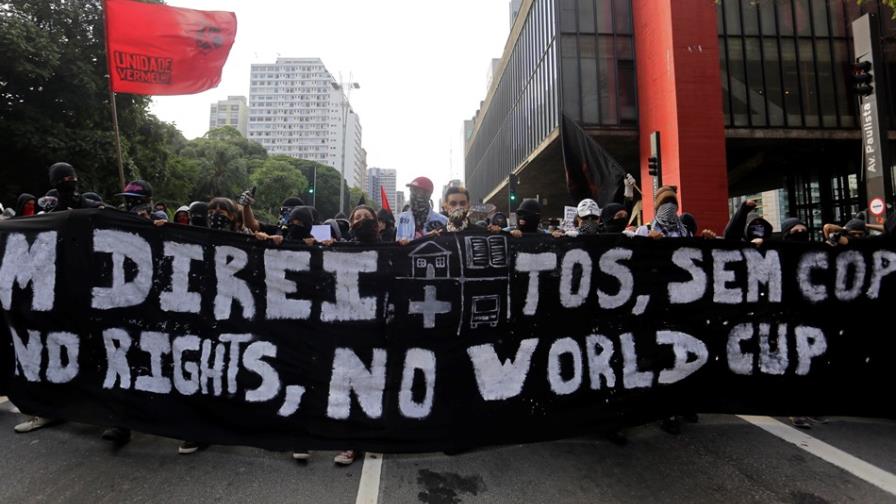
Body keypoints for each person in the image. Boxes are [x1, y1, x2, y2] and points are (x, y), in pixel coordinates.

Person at [396, 177, 447, 243]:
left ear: (427, 194)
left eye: (416, 191)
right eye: (411, 191)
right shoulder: (402, 218)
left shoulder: (442, 221)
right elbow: (397, 245)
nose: (412, 195)